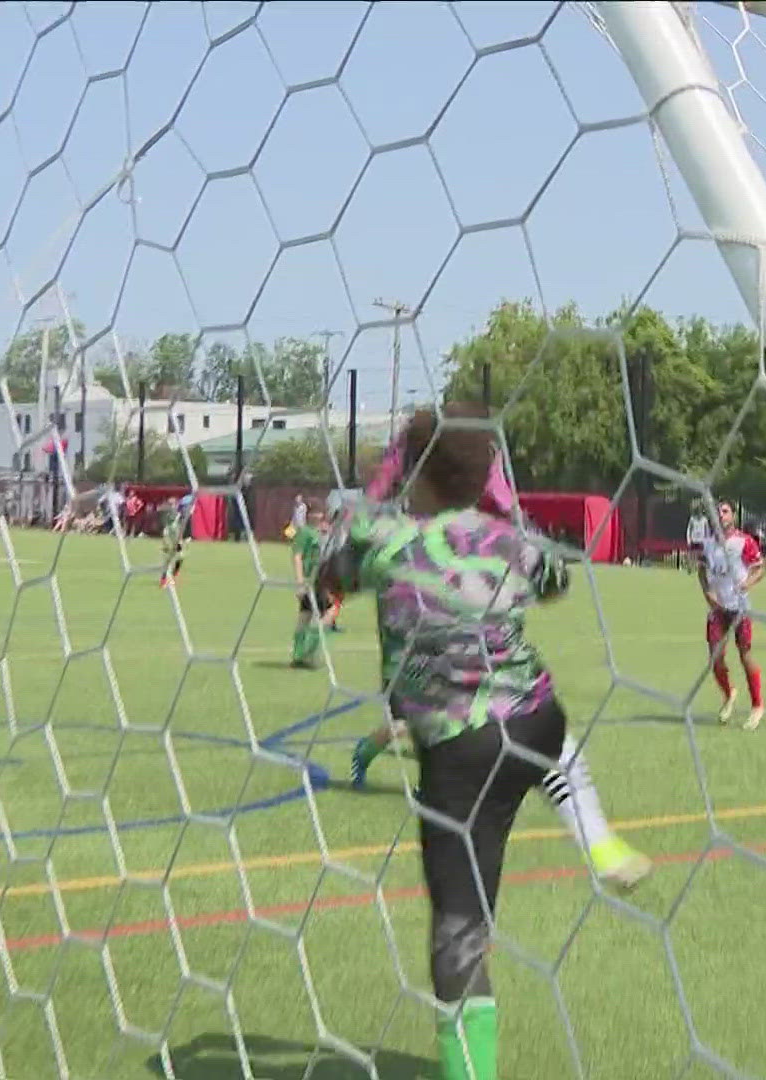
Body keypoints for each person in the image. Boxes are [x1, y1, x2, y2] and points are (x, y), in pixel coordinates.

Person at [317, 405, 612, 1080]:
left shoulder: (388, 539)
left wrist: (376, 487)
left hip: (457, 746)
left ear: (409, 471)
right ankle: (590, 823)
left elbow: (327, 576)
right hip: (531, 725)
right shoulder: (506, 540)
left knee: (458, 934)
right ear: (486, 478)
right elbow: (558, 578)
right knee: (534, 780)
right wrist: (504, 503)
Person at [348, 423, 649, 893]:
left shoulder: (419, 535)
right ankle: (598, 842)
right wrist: (507, 501)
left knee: (525, 754)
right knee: (544, 748)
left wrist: (381, 479)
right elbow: (550, 570)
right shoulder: (462, 536)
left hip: (445, 685)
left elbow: (347, 547)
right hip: (454, 681)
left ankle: (597, 846)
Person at [694, 500, 766, 729]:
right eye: (717, 512)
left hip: (740, 608)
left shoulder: (743, 541)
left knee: (745, 654)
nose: (721, 515)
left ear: (733, 516)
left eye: (725, 511)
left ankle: (757, 705)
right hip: (718, 609)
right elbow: (702, 571)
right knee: (715, 657)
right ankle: (729, 694)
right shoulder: (708, 544)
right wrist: (708, 592)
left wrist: (747, 584)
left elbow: (760, 568)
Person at [288, 508, 342, 668]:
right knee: (329, 612)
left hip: (316, 580)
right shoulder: (305, 532)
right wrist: (299, 581)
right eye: (315, 512)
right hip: (317, 581)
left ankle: (299, 655)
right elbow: (297, 556)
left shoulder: (321, 532)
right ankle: (309, 654)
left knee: (305, 615)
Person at [159, 497, 188, 587]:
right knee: (168, 560)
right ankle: (164, 579)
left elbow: (179, 528)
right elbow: (166, 530)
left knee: (180, 557)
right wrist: (165, 543)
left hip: (176, 540)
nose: (172, 506)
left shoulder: (177, 515)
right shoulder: (168, 517)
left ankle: (174, 575)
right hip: (171, 541)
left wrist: (180, 540)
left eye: (173, 504)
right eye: (170, 504)